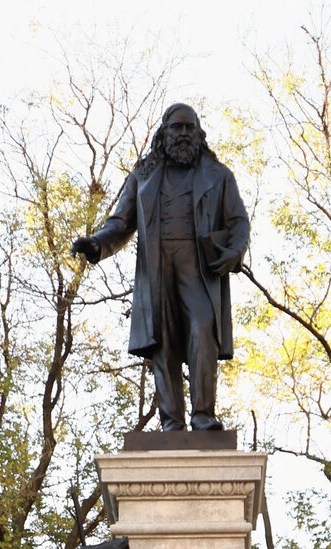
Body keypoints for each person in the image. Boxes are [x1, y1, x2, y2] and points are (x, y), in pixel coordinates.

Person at [71, 103, 250, 432]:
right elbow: (121, 222)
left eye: (189, 128)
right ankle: (171, 423)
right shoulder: (143, 174)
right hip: (157, 267)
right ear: (163, 134)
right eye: (176, 128)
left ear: (198, 134)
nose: (183, 134)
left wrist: (236, 251)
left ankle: (203, 415)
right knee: (163, 340)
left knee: (202, 329)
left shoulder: (219, 175)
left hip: (200, 268)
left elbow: (238, 222)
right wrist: (97, 244)